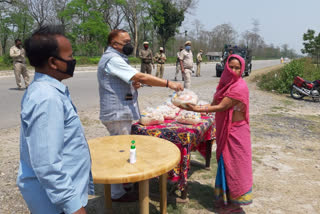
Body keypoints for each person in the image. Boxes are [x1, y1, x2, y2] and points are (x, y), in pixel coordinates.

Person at [97, 29, 183, 202]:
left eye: (130, 41)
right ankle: (117, 193)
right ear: (115, 44)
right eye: (126, 42)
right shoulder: (112, 59)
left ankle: (124, 185)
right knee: (119, 152)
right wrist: (168, 83)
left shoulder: (118, 58)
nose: (130, 45)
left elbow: (129, 80)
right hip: (117, 114)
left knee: (123, 149)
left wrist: (133, 85)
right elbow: (141, 76)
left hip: (121, 112)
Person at [16, 25, 93, 214]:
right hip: (56, 205)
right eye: (69, 57)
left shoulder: (48, 90)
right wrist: (74, 207)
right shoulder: (46, 98)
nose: (73, 60)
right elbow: (47, 165)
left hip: (60, 198)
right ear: (53, 62)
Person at [179, 54, 252, 213]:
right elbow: (215, 102)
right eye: (230, 67)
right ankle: (224, 199)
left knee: (235, 167)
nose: (233, 70)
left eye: (237, 68)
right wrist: (198, 109)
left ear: (242, 70)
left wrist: (197, 109)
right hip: (226, 129)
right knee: (225, 164)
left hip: (236, 132)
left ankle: (235, 204)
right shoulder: (225, 84)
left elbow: (221, 107)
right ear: (226, 67)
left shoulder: (239, 86)